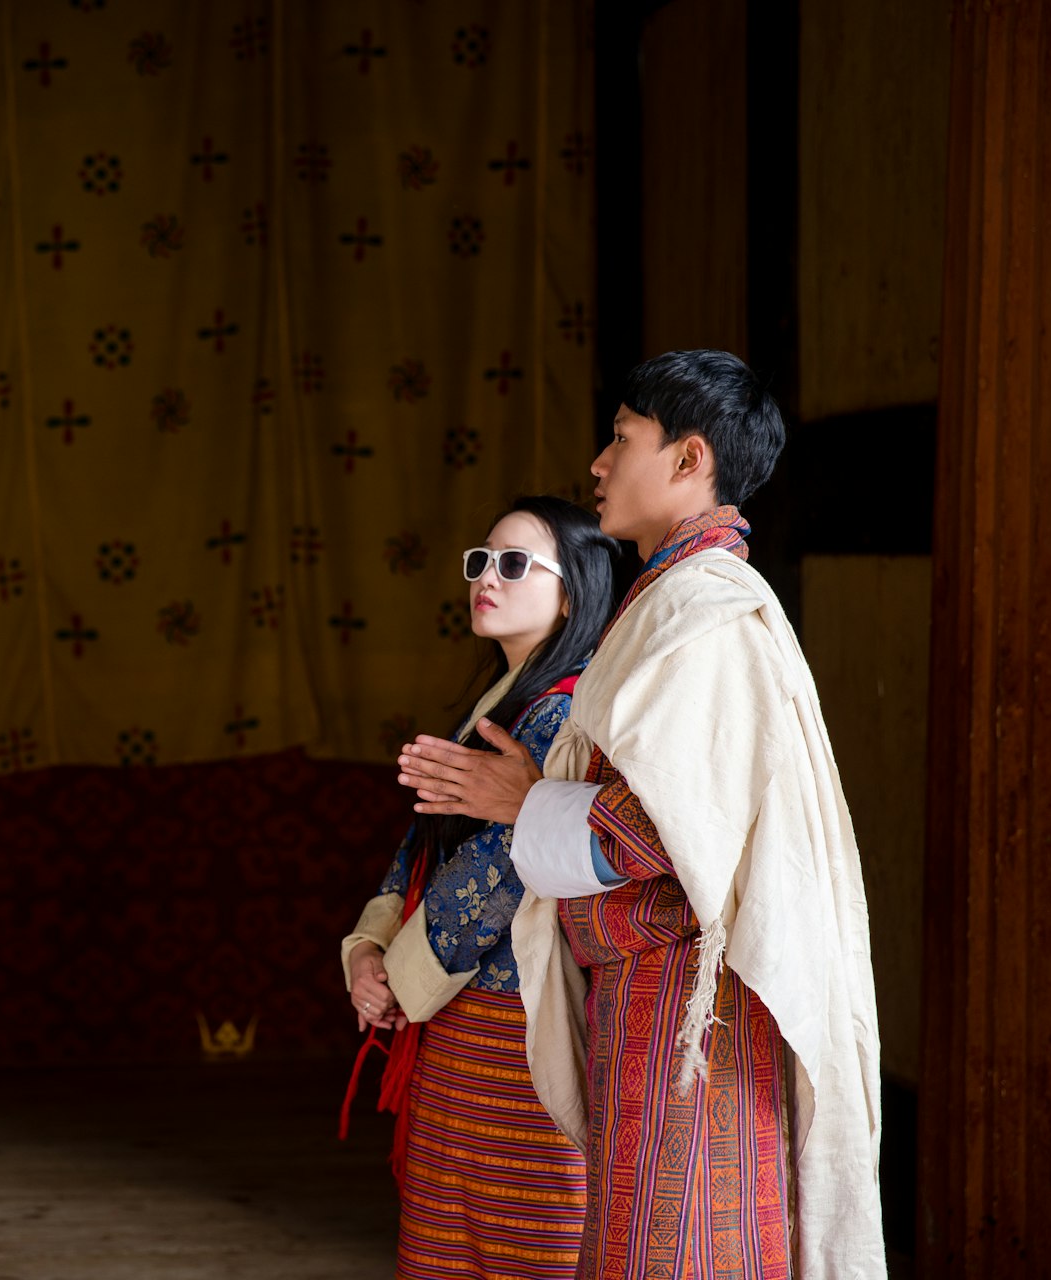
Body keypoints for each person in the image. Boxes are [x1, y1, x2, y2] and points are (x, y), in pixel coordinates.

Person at [397, 350, 885, 1279]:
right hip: (650, 998)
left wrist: (519, 800)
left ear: (688, 458)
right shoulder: (668, 596)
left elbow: (664, 827)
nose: (599, 463)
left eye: (622, 439)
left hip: (689, 1012)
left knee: (680, 1246)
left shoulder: (706, 609)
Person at [340, 494, 617, 1280]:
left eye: (514, 563)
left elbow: (499, 869)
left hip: (520, 1023)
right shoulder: (501, 703)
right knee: (450, 1241)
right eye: (481, 561)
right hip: (458, 1020)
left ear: (573, 593)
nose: (486, 578)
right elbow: (421, 845)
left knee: (527, 1242)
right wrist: (367, 952)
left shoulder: (568, 714)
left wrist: (396, 979)